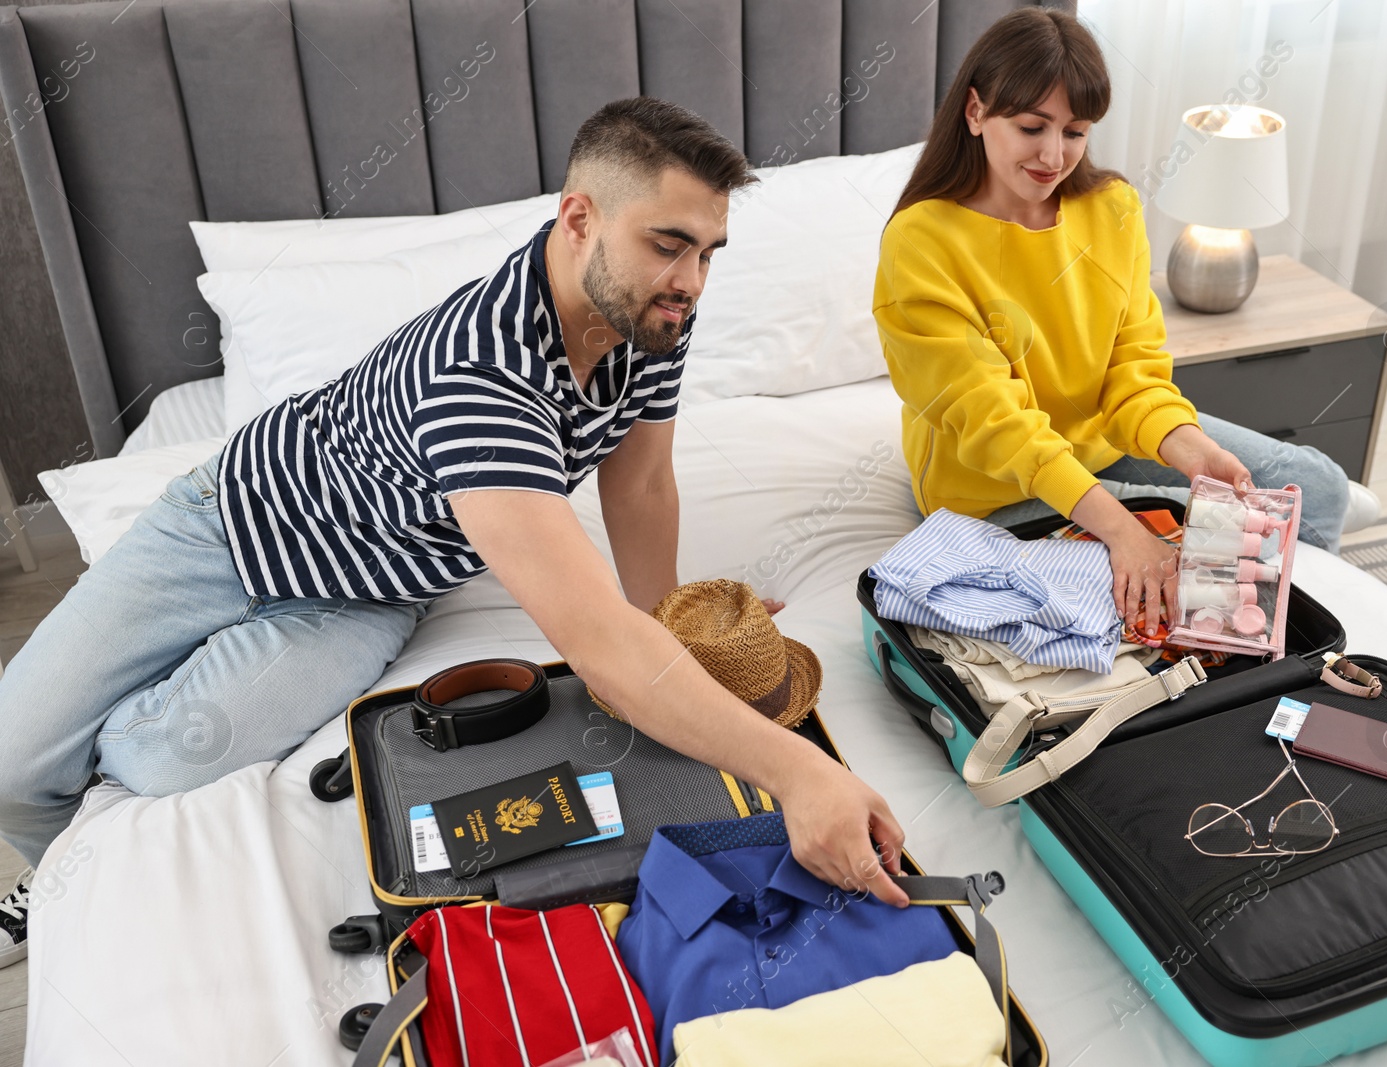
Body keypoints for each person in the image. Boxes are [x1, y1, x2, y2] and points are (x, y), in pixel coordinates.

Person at [0, 97, 910, 969]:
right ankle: (50, 879)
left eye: (709, 252)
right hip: (228, 522)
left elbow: (639, 480)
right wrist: (800, 774)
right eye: (668, 246)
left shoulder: (653, 314)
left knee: (156, 758)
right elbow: (598, 648)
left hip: (365, 593)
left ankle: (69, 858)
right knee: (10, 756)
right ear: (579, 217)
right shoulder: (479, 377)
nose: (690, 280)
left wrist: (667, 620)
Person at [873, 8, 1379, 644]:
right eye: (1032, 127)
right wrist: (1122, 529)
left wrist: (1189, 449)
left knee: (1315, 485)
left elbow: (1133, 372)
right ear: (975, 113)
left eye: (1076, 131)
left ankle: (1322, 524)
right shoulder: (922, 242)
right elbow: (991, 423)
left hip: (1101, 439)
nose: (1053, 155)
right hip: (995, 485)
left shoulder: (1111, 208)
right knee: (1189, 548)